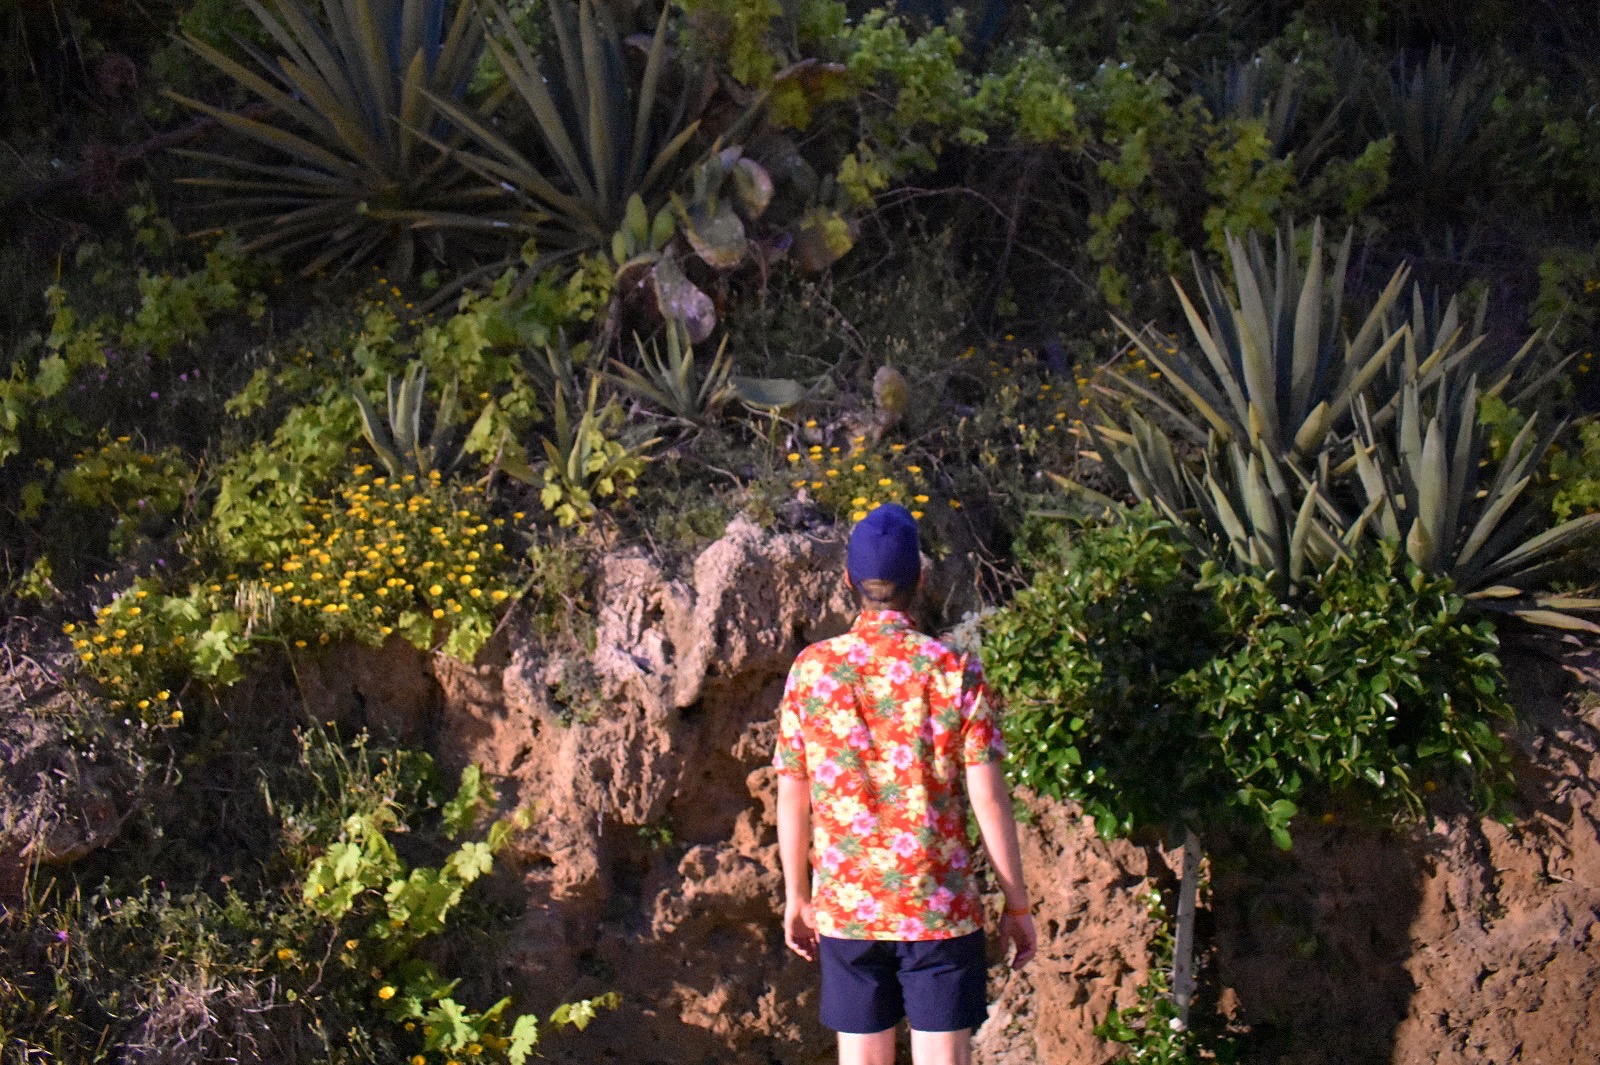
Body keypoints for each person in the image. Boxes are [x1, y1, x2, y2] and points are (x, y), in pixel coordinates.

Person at [773, 504, 1037, 1065]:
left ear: (849, 581)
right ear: (919, 581)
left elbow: (793, 793)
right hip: (937, 906)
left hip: (848, 907)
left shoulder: (812, 671)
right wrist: (1017, 903)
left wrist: (798, 894)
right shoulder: (953, 669)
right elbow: (988, 798)